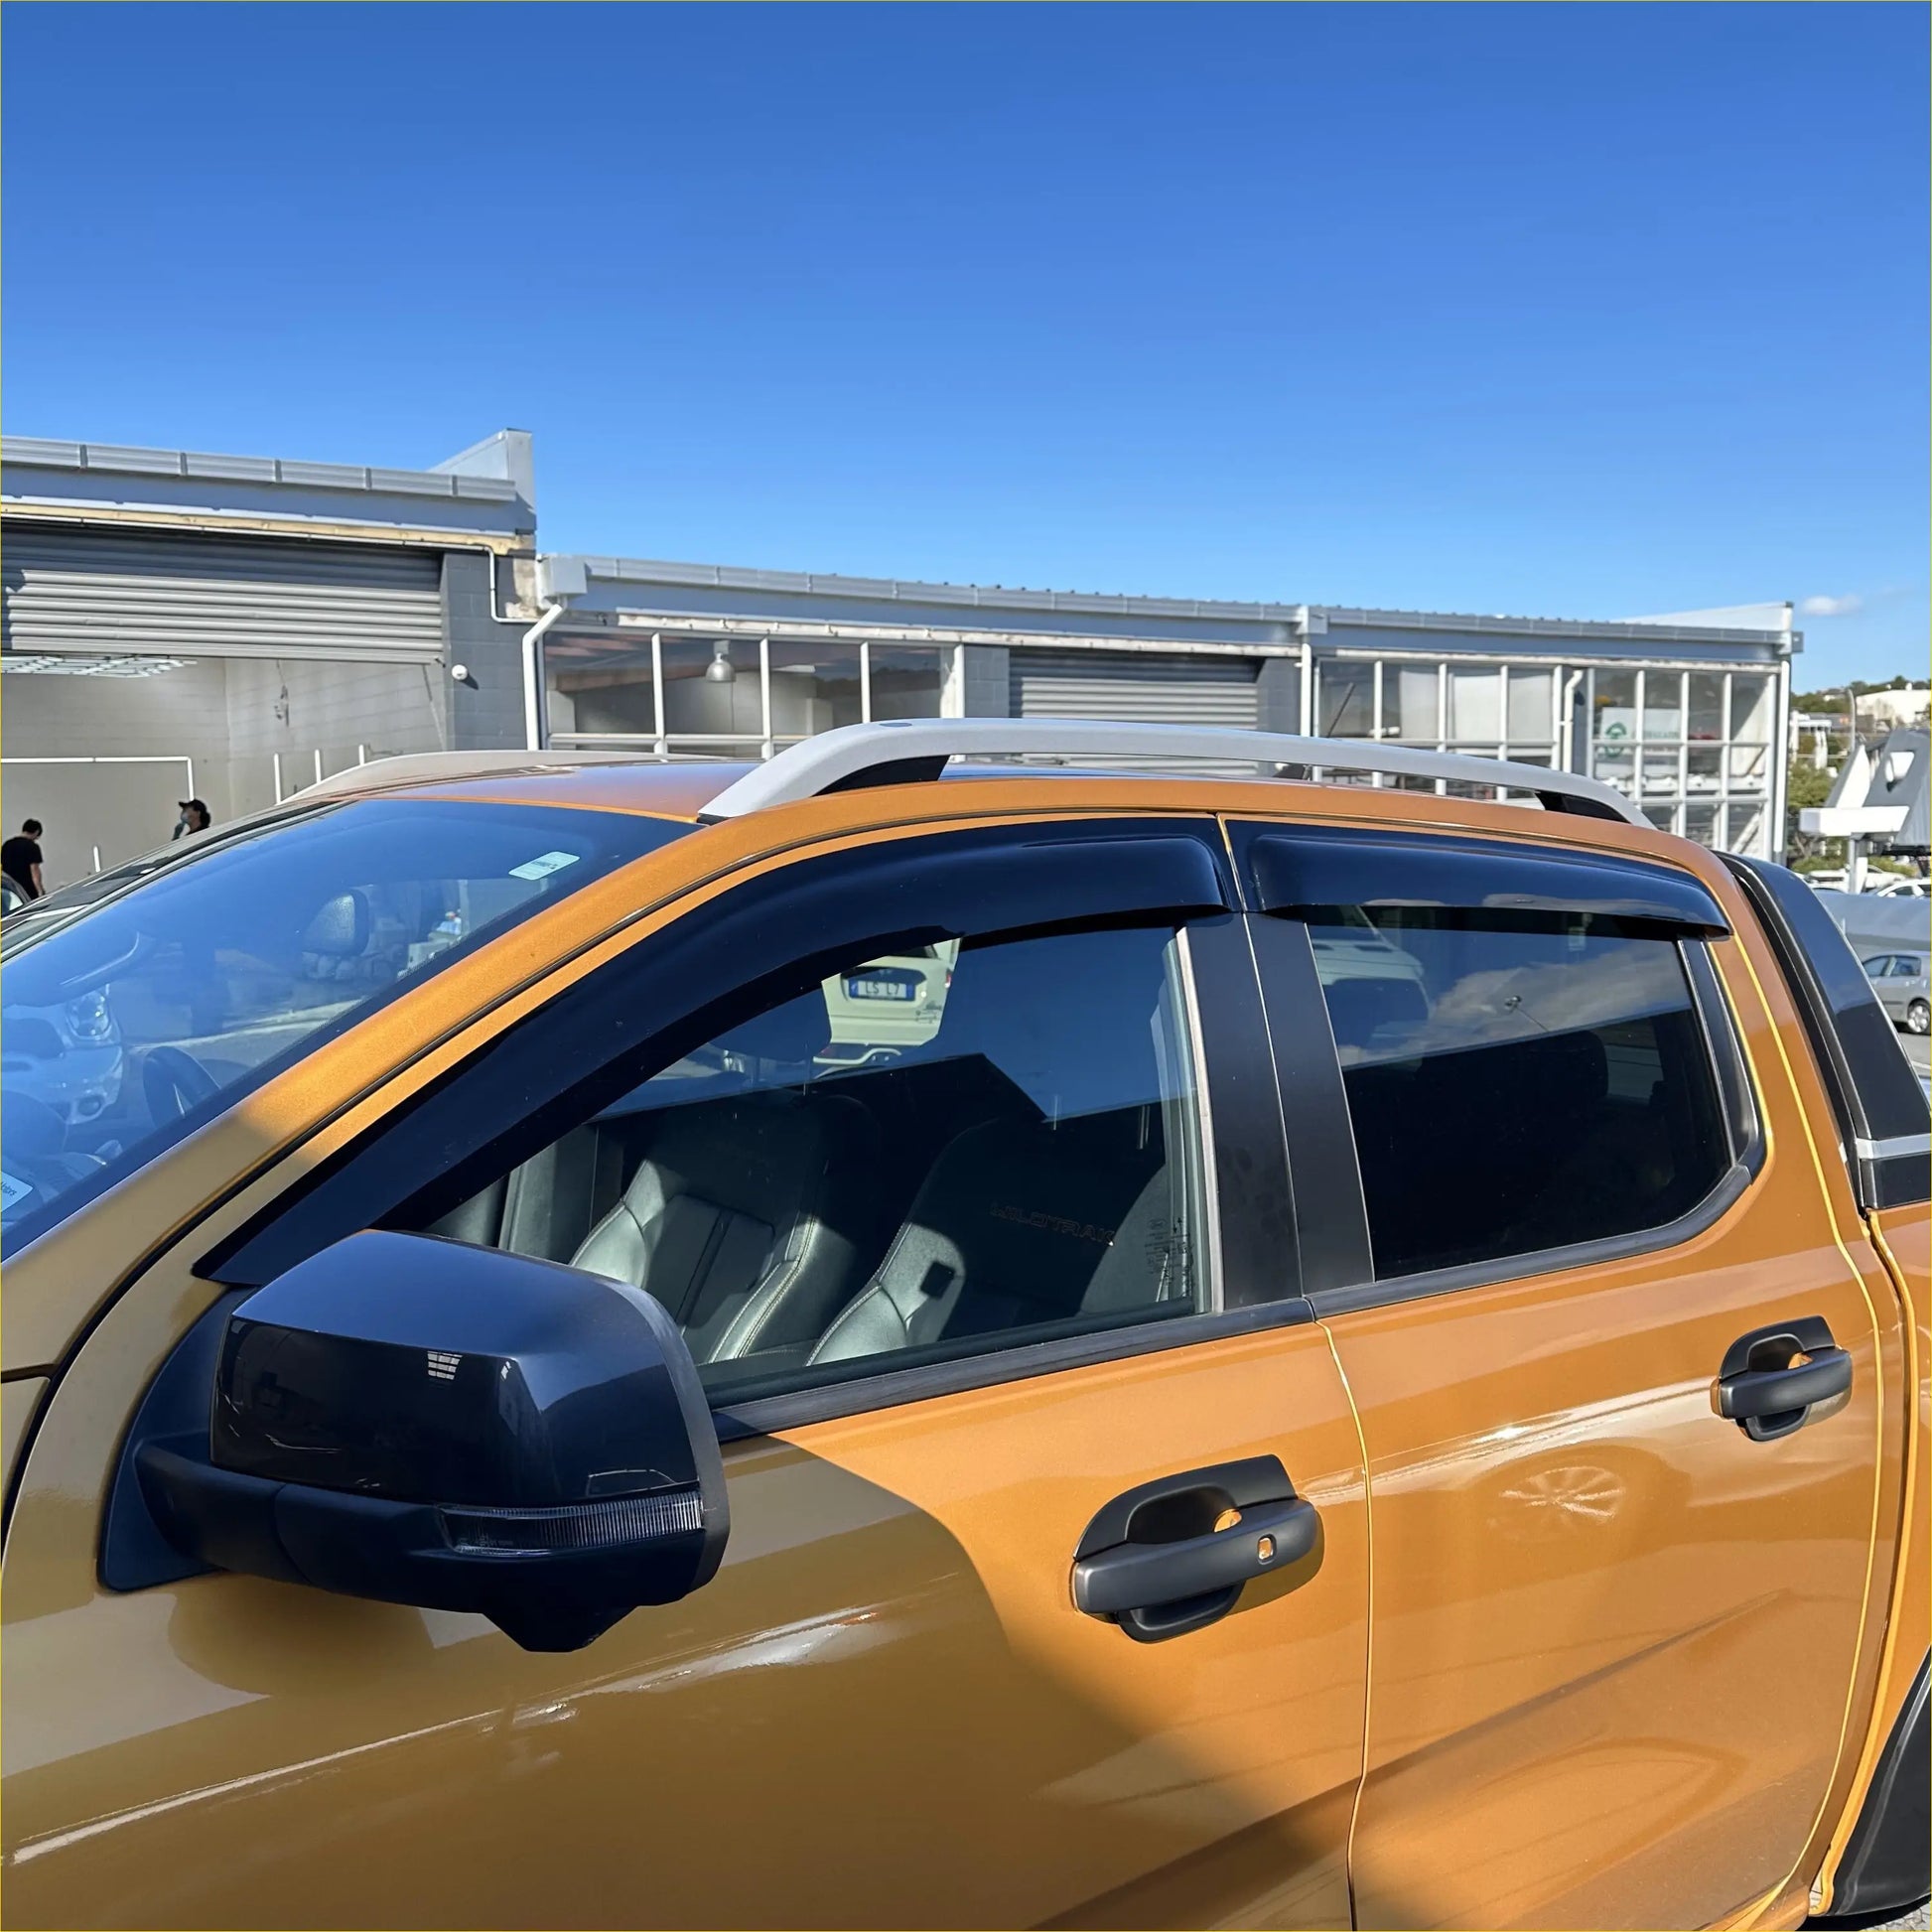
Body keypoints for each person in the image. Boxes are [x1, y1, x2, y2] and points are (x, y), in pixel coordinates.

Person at [2, 818, 45, 898]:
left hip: (8, 888)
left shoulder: (7, 844)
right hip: (26, 889)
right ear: (37, 832)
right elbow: (34, 870)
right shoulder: (32, 846)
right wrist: (40, 890)